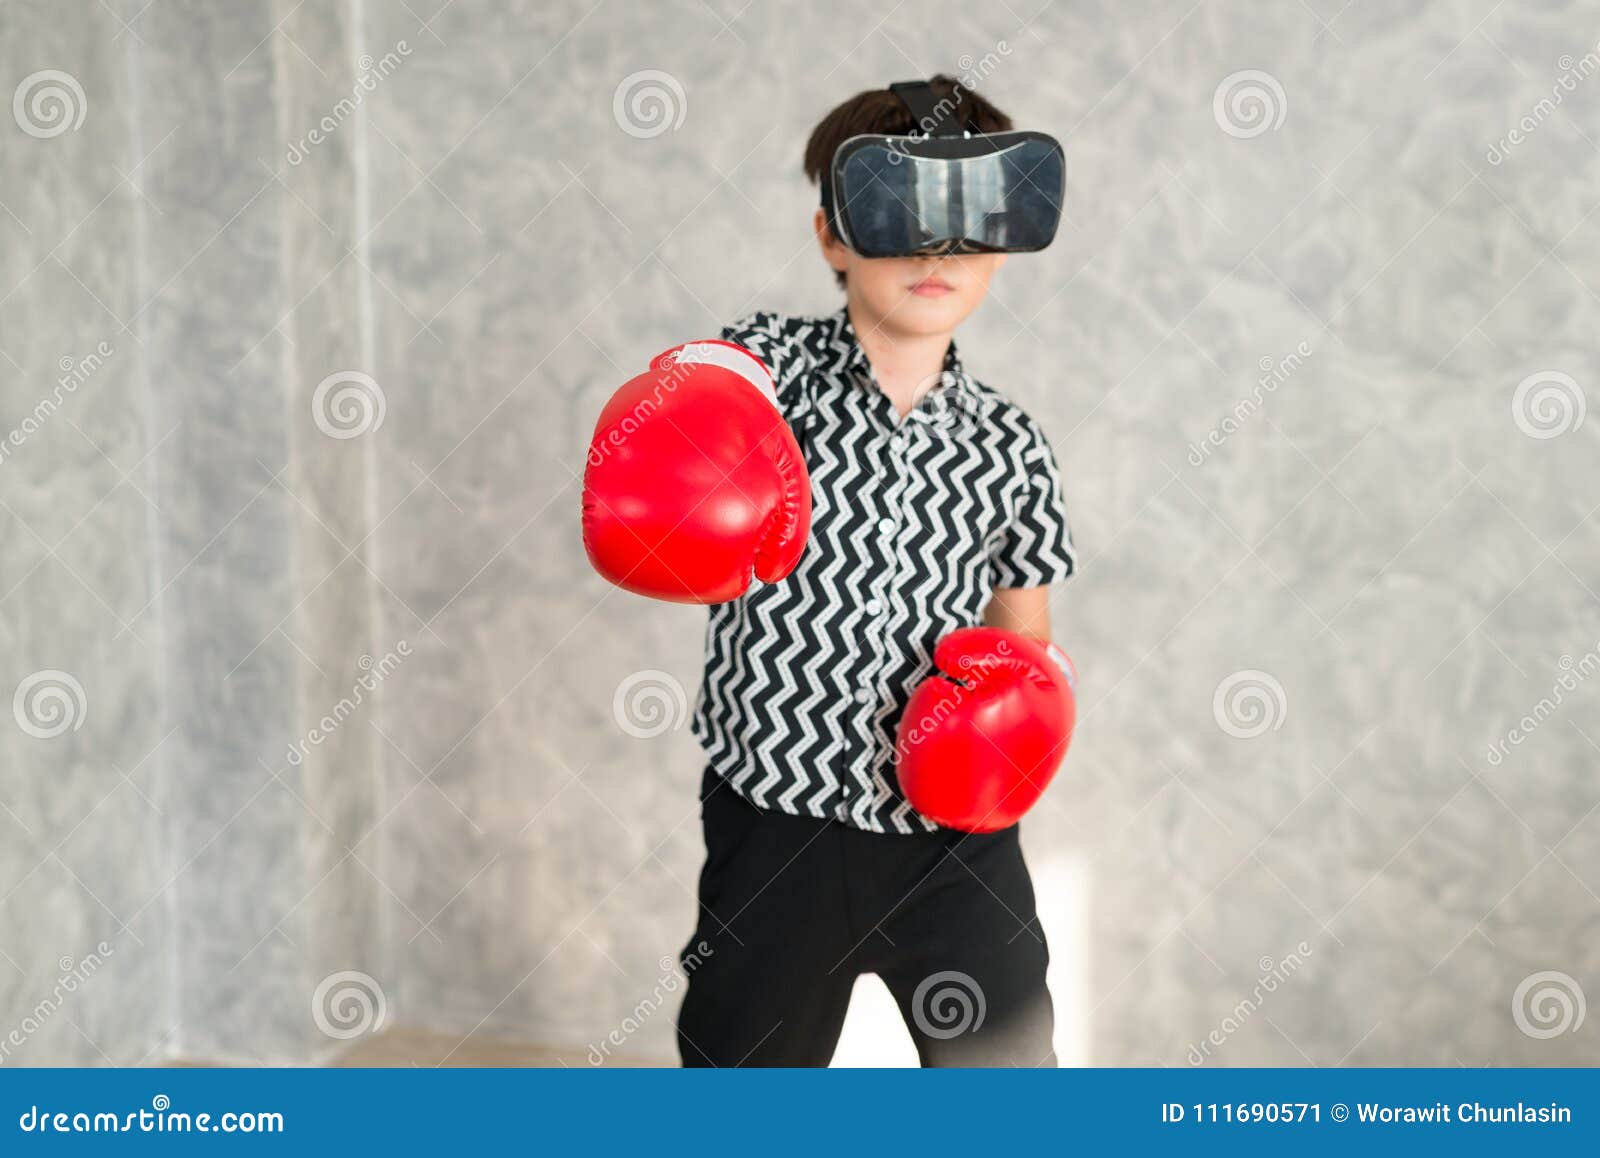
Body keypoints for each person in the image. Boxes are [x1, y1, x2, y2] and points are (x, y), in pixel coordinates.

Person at [583, 75, 1076, 1066]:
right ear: (832, 238)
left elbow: (1026, 635)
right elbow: (705, 380)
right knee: (744, 1076)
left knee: (1009, 1083)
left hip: (950, 843)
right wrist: (692, 422)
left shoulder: (1012, 442)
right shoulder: (768, 365)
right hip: (776, 823)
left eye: (965, 222)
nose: (934, 251)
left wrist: (1007, 725)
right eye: (899, 216)